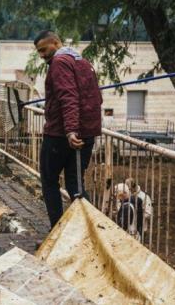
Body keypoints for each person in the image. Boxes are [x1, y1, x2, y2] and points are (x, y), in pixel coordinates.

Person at [34, 30, 103, 229]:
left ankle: (58, 234)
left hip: (60, 134)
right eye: (39, 52)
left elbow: (68, 96)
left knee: (49, 181)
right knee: (75, 184)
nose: (42, 55)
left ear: (56, 42)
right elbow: (96, 98)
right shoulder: (82, 61)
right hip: (87, 133)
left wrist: (71, 130)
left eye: (44, 50)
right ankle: (90, 234)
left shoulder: (59, 62)